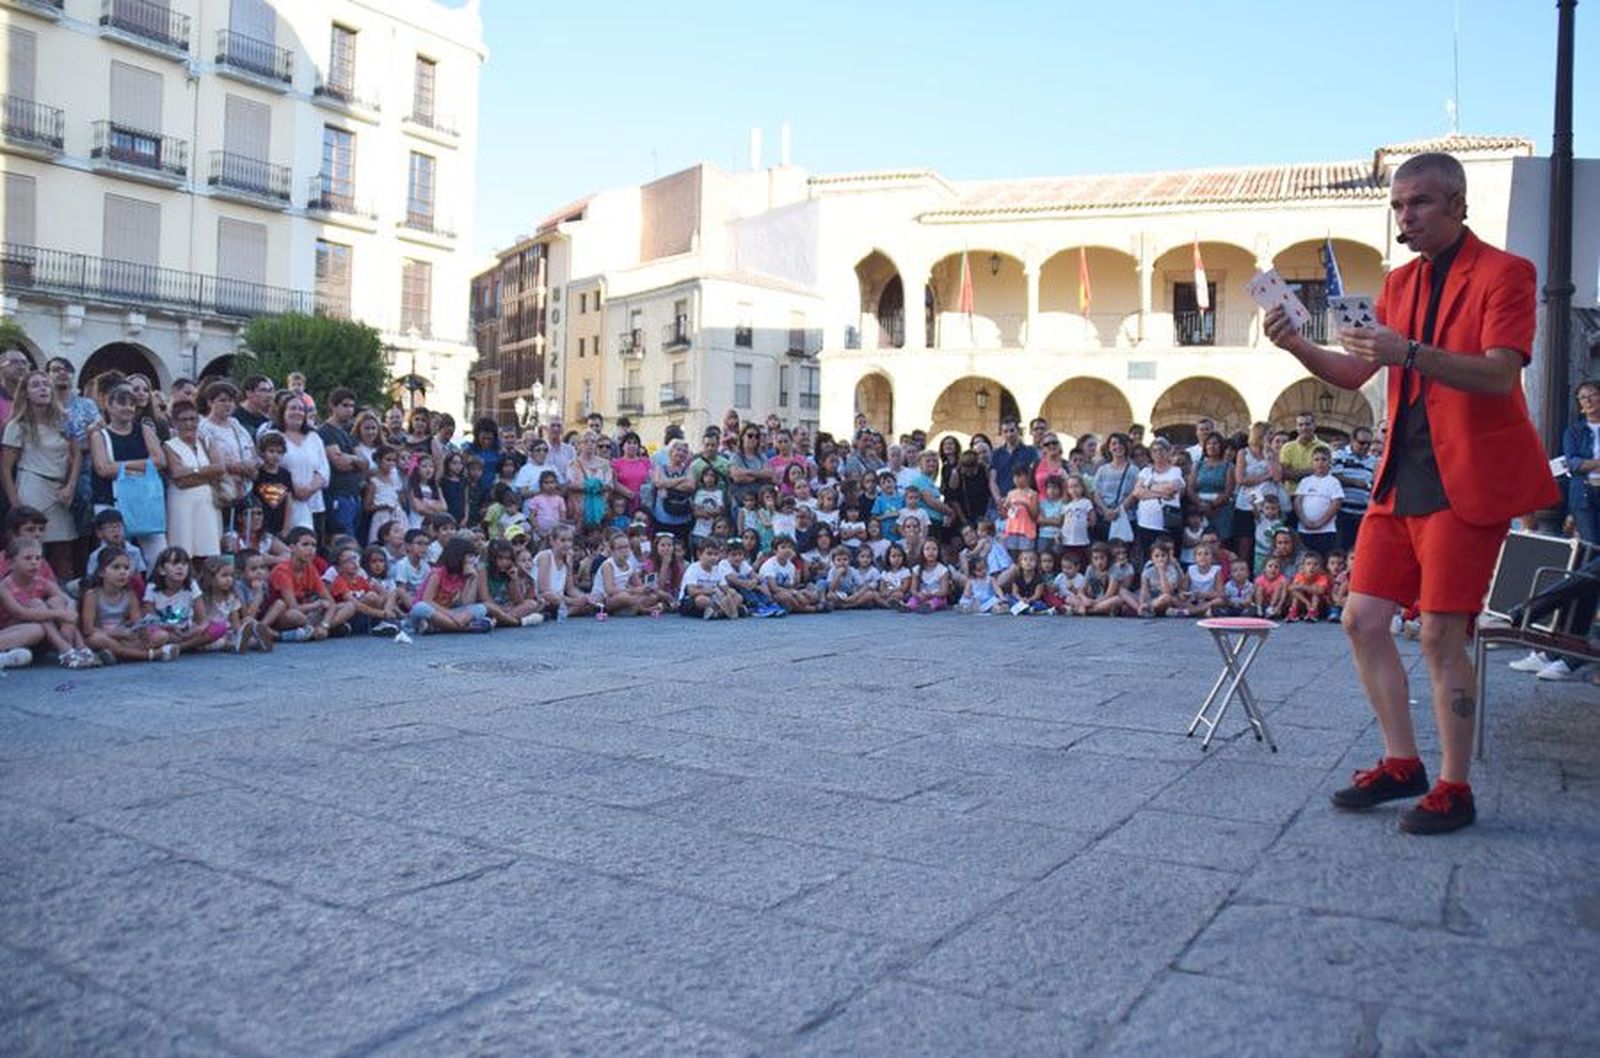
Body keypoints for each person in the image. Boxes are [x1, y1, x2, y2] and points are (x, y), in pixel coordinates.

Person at [1265, 150, 1558, 834]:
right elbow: (1351, 372)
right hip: (1401, 478)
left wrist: (1409, 353)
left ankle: (1455, 786)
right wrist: (1297, 347)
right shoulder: (1397, 285)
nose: (1406, 217)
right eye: (1398, 206)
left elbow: (1498, 376)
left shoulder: (1506, 273)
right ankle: (1404, 763)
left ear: (1457, 203)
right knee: (1361, 620)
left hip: (1467, 484)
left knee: (1439, 634)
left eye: (1420, 203)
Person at [2, 370, 79, 579]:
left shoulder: (64, 420)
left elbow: (76, 454)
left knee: (63, 552)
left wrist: (71, 486)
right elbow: (6, 468)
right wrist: (16, 504)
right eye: (35, 385)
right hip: (32, 486)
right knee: (33, 551)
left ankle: (63, 599)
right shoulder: (17, 425)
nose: (43, 388)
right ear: (26, 393)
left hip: (60, 491)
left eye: (46, 384)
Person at [162, 400, 226, 558]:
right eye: (184, 420)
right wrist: (208, 475)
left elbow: (220, 469)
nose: (189, 424)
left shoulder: (207, 441)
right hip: (181, 503)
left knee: (209, 549)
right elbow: (178, 475)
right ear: (175, 422)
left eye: (193, 419)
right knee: (183, 548)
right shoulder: (169, 446)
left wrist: (192, 472)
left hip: (207, 503)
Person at [319, 388, 371, 539]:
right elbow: (340, 464)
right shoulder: (326, 432)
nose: (350, 410)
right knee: (343, 541)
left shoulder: (346, 433)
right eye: (345, 405)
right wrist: (356, 461)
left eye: (352, 406)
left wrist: (353, 459)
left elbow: (366, 463)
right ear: (333, 406)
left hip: (353, 496)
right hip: (338, 496)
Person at [1331, 425, 1377, 553]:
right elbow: (1336, 477)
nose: (1365, 447)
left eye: (1368, 443)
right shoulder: (1339, 455)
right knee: (1340, 550)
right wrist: (1356, 483)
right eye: (1362, 443)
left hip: (1363, 513)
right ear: (1352, 440)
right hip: (1342, 512)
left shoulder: (1373, 461)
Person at [1292, 446, 1344, 558]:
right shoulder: (1305, 481)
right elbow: (1298, 501)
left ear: (1330, 462)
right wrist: (1305, 520)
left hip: (1326, 531)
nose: (1320, 463)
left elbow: (1336, 504)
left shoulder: (1333, 482)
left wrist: (1320, 523)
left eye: (1324, 459)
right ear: (1312, 462)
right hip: (1304, 530)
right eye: (1316, 459)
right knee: (1304, 560)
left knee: (1322, 560)